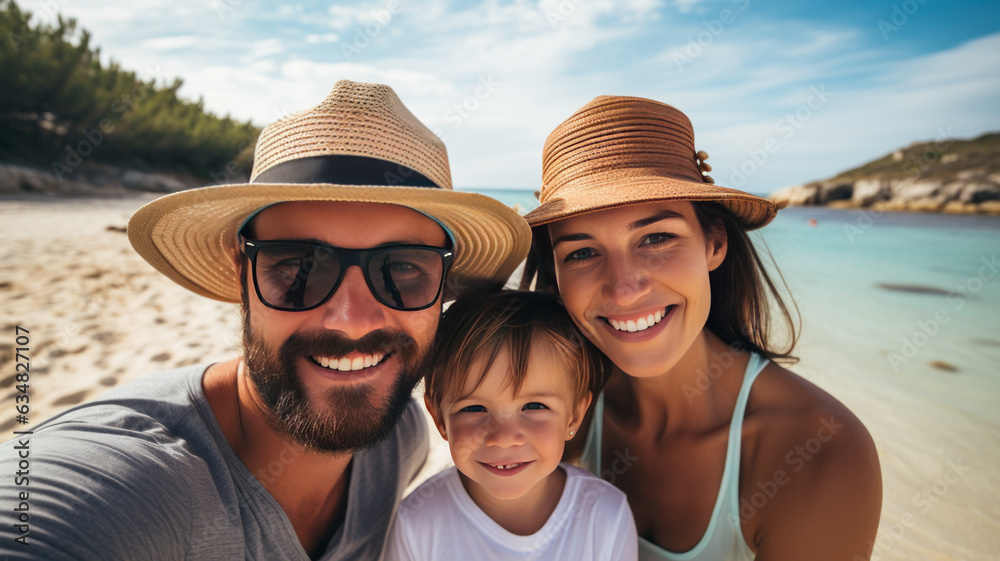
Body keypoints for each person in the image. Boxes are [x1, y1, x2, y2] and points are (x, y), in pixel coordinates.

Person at [0, 80, 530, 560]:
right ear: (241, 273)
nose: (349, 320)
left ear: (443, 287)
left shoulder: (400, 437)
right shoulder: (137, 478)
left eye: (402, 270)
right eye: (300, 267)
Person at [520, 95, 882, 561]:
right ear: (556, 275)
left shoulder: (818, 451)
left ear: (714, 243)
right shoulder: (555, 408)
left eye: (656, 237)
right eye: (582, 252)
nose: (625, 290)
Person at [385, 290, 637, 560]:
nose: (503, 438)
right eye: (474, 408)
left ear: (574, 416)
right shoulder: (417, 523)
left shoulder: (605, 517)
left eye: (534, 406)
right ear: (439, 419)